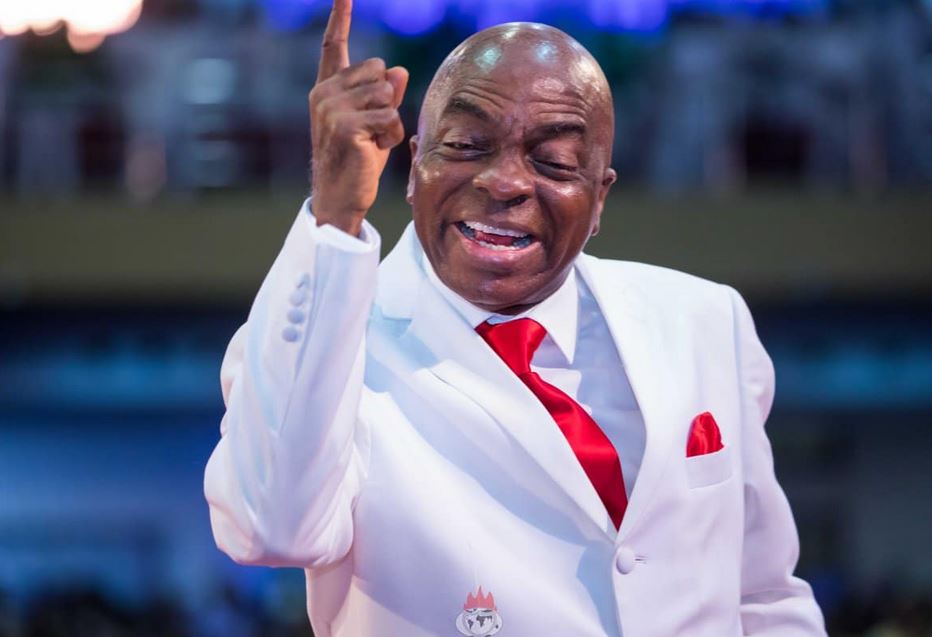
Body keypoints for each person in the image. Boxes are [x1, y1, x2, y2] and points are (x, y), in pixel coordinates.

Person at [204, 1, 827, 635]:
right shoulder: (324, 349)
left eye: (553, 162)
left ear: (600, 196)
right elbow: (270, 528)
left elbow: (763, 596)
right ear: (413, 167)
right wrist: (334, 218)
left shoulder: (705, 322)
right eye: (466, 146)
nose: (504, 183)